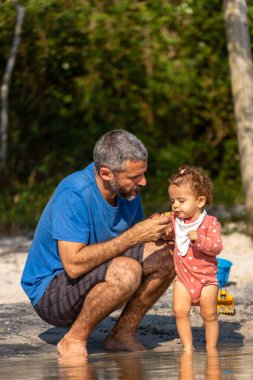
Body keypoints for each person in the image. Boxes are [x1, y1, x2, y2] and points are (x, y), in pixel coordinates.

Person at [21, 129, 175, 358]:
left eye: (142, 174)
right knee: (126, 271)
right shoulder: (74, 193)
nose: (143, 182)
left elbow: (132, 241)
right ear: (106, 173)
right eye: (134, 177)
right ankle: (73, 339)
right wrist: (135, 234)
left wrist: (158, 233)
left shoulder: (128, 191)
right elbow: (73, 265)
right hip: (51, 291)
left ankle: (121, 335)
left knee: (168, 254)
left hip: (97, 271)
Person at [168, 165, 223, 351]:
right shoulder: (176, 221)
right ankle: (188, 347)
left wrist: (200, 239)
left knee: (209, 314)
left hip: (207, 281)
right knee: (180, 311)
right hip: (183, 279)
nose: (175, 205)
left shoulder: (210, 223)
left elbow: (217, 247)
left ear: (199, 201)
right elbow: (163, 226)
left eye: (181, 200)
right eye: (172, 200)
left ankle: (211, 349)